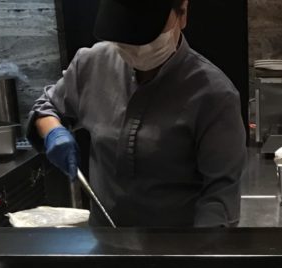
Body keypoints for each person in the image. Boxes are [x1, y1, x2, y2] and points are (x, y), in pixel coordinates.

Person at [29, 0, 246, 228]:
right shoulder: (93, 63)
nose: (136, 47)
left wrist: (203, 246)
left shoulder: (214, 95)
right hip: (105, 240)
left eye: (147, 34)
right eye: (124, 36)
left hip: (179, 245)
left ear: (182, 12)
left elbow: (220, 196)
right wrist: (53, 132)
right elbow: (47, 106)